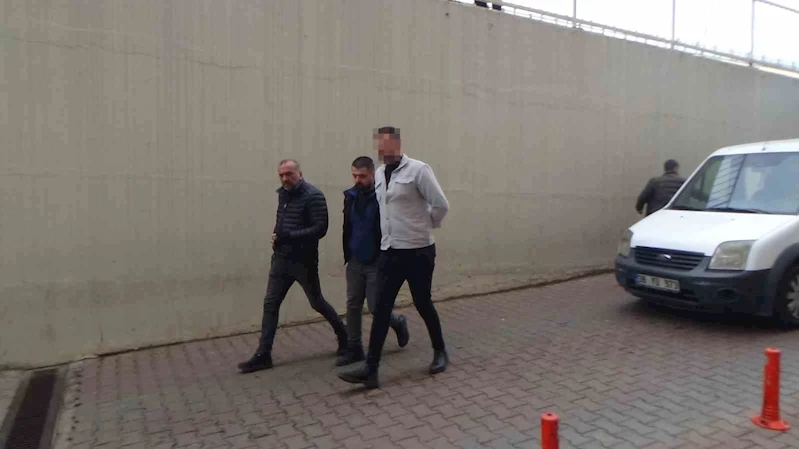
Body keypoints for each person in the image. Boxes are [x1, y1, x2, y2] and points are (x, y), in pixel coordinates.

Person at [336, 127, 450, 388]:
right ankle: (371, 369)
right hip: (390, 251)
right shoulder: (378, 174)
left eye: (387, 145)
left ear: (398, 144)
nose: (383, 150)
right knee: (381, 308)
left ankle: (440, 351)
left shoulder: (418, 170)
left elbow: (441, 204)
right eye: (379, 146)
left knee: (423, 302)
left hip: (419, 250)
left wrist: (425, 225)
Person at [238, 159, 348, 373]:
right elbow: (281, 221)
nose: (285, 178)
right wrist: (276, 236)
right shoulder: (283, 194)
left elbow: (320, 228)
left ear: (300, 173)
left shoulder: (313, 196)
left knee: (316, 302)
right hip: (281, 259)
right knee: (270, 304)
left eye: (289, 174)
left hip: (303, 261)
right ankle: (263, 354)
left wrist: (289, 236)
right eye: (281, 175)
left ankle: (344, 335)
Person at [337, 156, 410, 367]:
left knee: (376, 306)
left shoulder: (382, 198)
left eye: (362, 176)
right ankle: (354, 349)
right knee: (353, 304)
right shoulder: (350, 197)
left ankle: (397, 322)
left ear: (372, 174)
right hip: (355, 260)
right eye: (354, 176)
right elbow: (348, 226)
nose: (357, 180)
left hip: (377, 261)